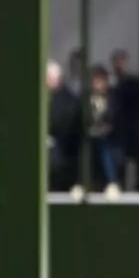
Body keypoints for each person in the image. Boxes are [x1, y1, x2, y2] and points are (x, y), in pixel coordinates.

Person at [110, 48, 139, 188]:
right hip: (122, 131)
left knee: (134, 163)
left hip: (134, 131)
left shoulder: (134, 84)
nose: (119, 66)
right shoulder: (114, 86)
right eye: (116, 63)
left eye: (121, 62)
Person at [46, 58, 82, 192]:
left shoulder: (68, 99)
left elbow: (67, 127)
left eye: (49, 78)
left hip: (63, 145)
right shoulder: (43, 97)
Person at [86, 64, 121, 195]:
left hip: (110, 136)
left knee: (105, 147)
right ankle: (83, 182)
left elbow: (118, 118)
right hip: (90, 135)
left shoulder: (113, 97)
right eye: (95, 81)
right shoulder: (86, 98)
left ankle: (112, 182)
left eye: (101, 81)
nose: (98, 84)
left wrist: (108, 128)